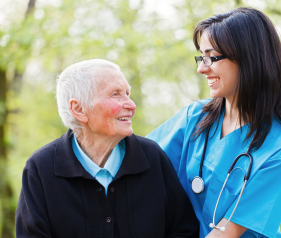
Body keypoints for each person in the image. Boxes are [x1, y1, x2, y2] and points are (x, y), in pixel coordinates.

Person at [147, 7, 281, 238]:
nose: (201, 68)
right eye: (201, 57)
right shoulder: (195, 117)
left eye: (211, 57)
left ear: (248, 59)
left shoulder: (280, 152)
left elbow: (225, 234)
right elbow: (140, 163)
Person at [16, 59, 199, 238]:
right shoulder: (40, 169)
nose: (131, 104)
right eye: (115, 94)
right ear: (79, 109)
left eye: (127, 93)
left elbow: (185, 230)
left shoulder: (152, 156)